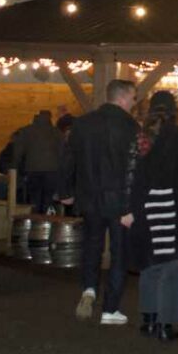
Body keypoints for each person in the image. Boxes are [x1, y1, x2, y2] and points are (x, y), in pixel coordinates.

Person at [124, 91, 178, 342]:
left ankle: (149, 319)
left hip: (148, 210)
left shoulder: (141, 137)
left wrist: (128, 209)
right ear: (175, 111)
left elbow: (129, 175)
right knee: (172, 270)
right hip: (177, 210)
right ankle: (165, 324)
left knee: (150, 264)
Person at [60, 79, 140, 325]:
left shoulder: (82, 124)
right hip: (118, 201)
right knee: (119, 253)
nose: (134, 103)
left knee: (92, 245)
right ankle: (110, 309)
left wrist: (66, 191)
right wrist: (130, 206)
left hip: (89, 196)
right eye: (134, 98)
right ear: (125, 98)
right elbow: (133, 168)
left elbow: (68, 159)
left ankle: (89, 289)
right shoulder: (130, 126)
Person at [12, 110, 65, 213]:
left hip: (32, 170)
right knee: (48, 199)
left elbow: (17, 153)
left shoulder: (26, 131)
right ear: (50, 118)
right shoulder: (56, 132)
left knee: (34, 198)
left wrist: (15, 169)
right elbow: (62, 153)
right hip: (52, 171)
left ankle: (34, 221)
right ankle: (47, 221)